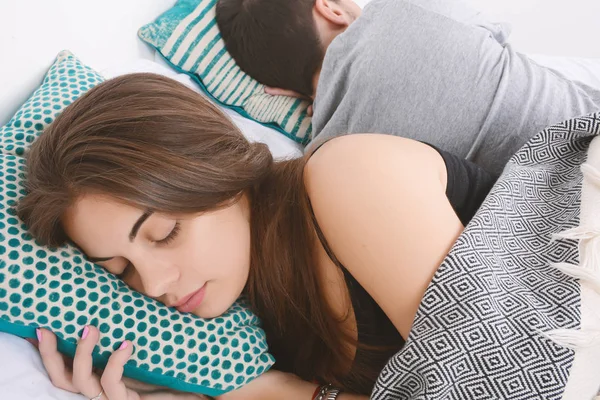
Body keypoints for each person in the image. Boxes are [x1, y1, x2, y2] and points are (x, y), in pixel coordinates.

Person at [18, 74, 495, 399]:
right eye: (121, 270)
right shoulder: (243, 340)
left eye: (165, 234)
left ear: (217, 170)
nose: (156, 285)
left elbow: (498, 378)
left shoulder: (349, 176)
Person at [215, 0, 600, 175]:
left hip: (550, 224)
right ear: (329, 7)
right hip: (588, 138)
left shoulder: (326, 157)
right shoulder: (403, 9)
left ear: (279, 91)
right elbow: (496, 40)